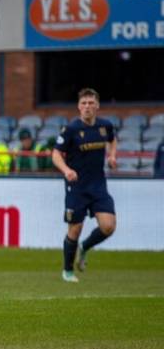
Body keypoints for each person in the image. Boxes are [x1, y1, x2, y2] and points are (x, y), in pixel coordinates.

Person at [52, 88, 117, 283]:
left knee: (108, 227)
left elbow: (112, 140)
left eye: (91, 103)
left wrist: (112, 155)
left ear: (97, 106)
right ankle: (67, 271)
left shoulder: (105, 126)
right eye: (84, 103)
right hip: (77, 187)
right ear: (78, 107)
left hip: (98, 185)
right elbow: (55, 154)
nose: (87, 107)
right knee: (75, 229)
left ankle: (84, 247)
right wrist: (66, 170)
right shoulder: (70, 129)